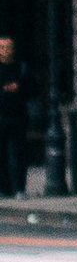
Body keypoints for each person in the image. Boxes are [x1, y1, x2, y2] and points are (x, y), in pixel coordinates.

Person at [0, 33, 28, 199]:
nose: (5, 50)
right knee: (2, 155)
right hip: (2, 116)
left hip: (17, 116)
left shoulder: (21, 68)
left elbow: (34, 89)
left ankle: (19, 187)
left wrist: (20, 87)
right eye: (2, 47)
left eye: (8, 47)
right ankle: (3, 188)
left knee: (18, 154)